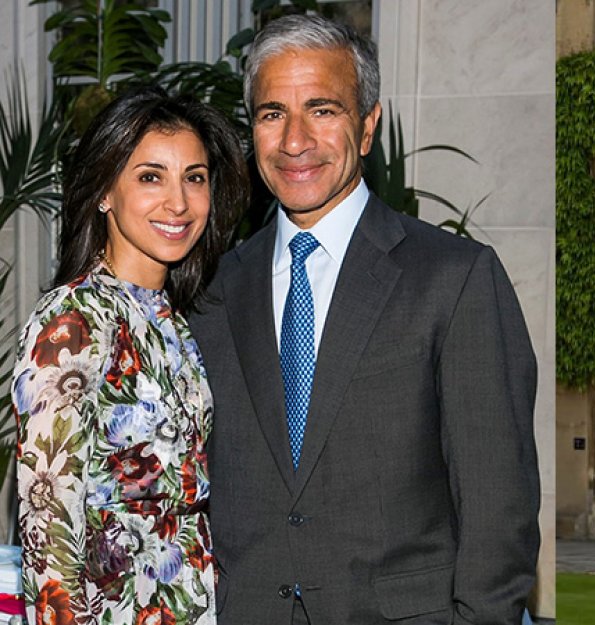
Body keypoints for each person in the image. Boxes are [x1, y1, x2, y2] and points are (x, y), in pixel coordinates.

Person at [190, 14, 540, 625]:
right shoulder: (213, 288)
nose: (295, 140)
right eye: (273, 114)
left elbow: (498, 508)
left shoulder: (454, 278)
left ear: (368, 125)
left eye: (322, 110)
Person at [12, 86, 248, 624]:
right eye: (150, 177)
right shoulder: (74, 319)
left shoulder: (174, 322)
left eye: (194, 177)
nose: (179, 202)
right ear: (104, 192)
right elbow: (47, 521)